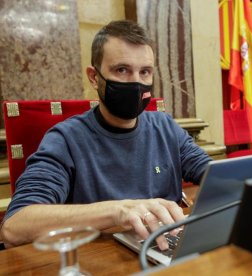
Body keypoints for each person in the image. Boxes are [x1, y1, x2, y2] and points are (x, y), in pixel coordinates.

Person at [0, 20, 212, 249]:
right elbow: (14, 227)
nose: (136, 82)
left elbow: (213, 173)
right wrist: (119, 211)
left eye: (145, 72)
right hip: (101, 260)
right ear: (94, 77)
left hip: (167, 249)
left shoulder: (165, 127)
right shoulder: (65, 139)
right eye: (122, 70)